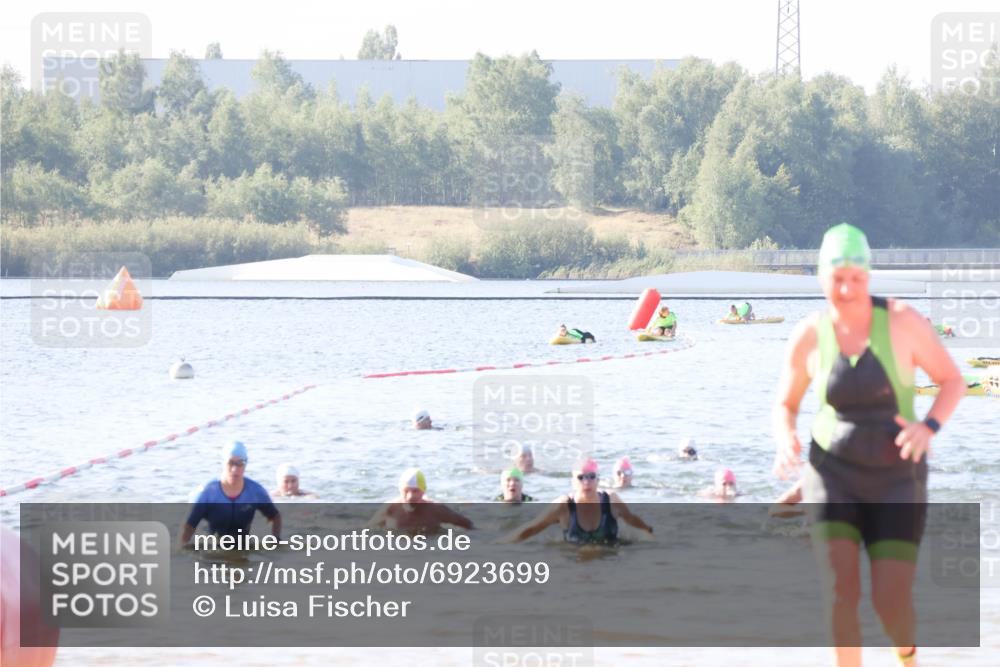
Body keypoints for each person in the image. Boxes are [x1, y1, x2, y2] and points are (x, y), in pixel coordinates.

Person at [772, 223, 965, 667]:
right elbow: (785, 403)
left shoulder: (902, 321)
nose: (846, 289)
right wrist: (786, 439)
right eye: (836, 278)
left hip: (897, 478)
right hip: (830, 475)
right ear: (820, 277)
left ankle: (907, 654)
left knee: (889, 601)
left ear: (869, 276)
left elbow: (952, 380)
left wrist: (929, 426)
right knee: (841, 593)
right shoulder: (808, 334)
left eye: (856, 278)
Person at [503, 459, 653, 544]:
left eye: (591, 476)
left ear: (598, 480)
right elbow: (531, 528)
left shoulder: (611, 500)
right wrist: (500, 545)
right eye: (581, 478)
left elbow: (631, 518)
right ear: (573, 482)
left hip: (609, 563)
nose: (586, 482)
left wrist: (648, 530)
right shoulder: (564, 506)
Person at [180, 441, 281, 546]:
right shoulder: (207, 493)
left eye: (240, 463)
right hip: (210, 550)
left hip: (242, 548)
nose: (235, 469)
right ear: (223, 463)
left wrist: (275, 542)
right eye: (231, 463)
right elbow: (189, 526)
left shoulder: (255, 491)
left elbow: (275, 517)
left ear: (245, 464)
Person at [368, 468, 474, 532]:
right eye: (406, 491)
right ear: (400, 490)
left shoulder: (437, 510)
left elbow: (469, 525)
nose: (410, 496)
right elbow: (367, 530)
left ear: (423, 491)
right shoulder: (390, 509)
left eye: (415, 491)